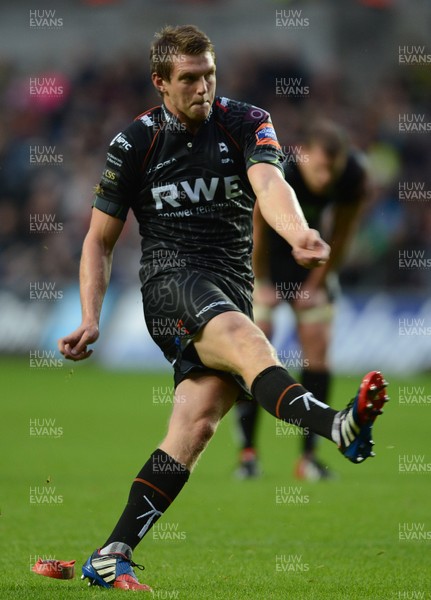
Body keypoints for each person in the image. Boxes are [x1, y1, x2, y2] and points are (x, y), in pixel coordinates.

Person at [58, 25, 388, 592]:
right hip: (171, 284)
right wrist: (91, 316)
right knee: (248, 339)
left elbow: (270, 184)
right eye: (188, 79)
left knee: (196, 425)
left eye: (209, 74)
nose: (202, 87)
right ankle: (336, 426)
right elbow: (98, 241)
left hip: (230, 283)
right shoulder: (134, 143)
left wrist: (300, 231)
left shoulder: (246, 121)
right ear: (161, 83)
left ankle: (111, 554)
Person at [235, 120, 369, 481]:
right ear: (305, 155)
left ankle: (308, 457)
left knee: (318, 344)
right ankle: (248, 454)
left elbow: (341, 234)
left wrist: (316, 284)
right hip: (266, 261)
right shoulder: (282, 169)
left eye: (333, 170)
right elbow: (259, 228)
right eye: (321, 168)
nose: (326, 178)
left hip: (313, 261)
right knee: (255, 341)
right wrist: (261, 281)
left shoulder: (354, 177)